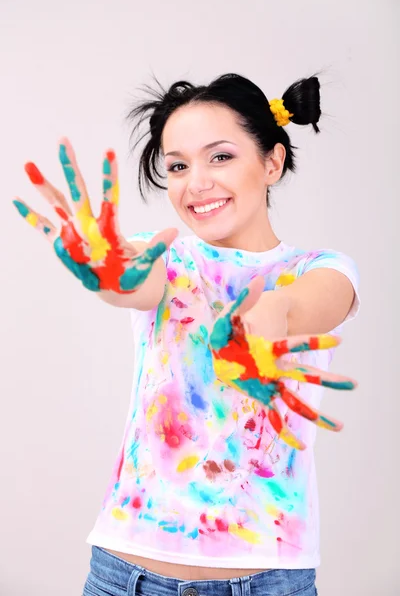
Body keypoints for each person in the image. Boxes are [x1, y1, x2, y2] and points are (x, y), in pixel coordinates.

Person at [13, 72, 360, 596]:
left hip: (268, 582)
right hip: (125, 577)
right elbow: (133, 281)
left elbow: (318, 300)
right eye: (177, 166)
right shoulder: (164, 253)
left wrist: (272, 313)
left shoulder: (320, 268)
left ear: (272, 161)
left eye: (220, 157)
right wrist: (111, 274)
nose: (195, 182)